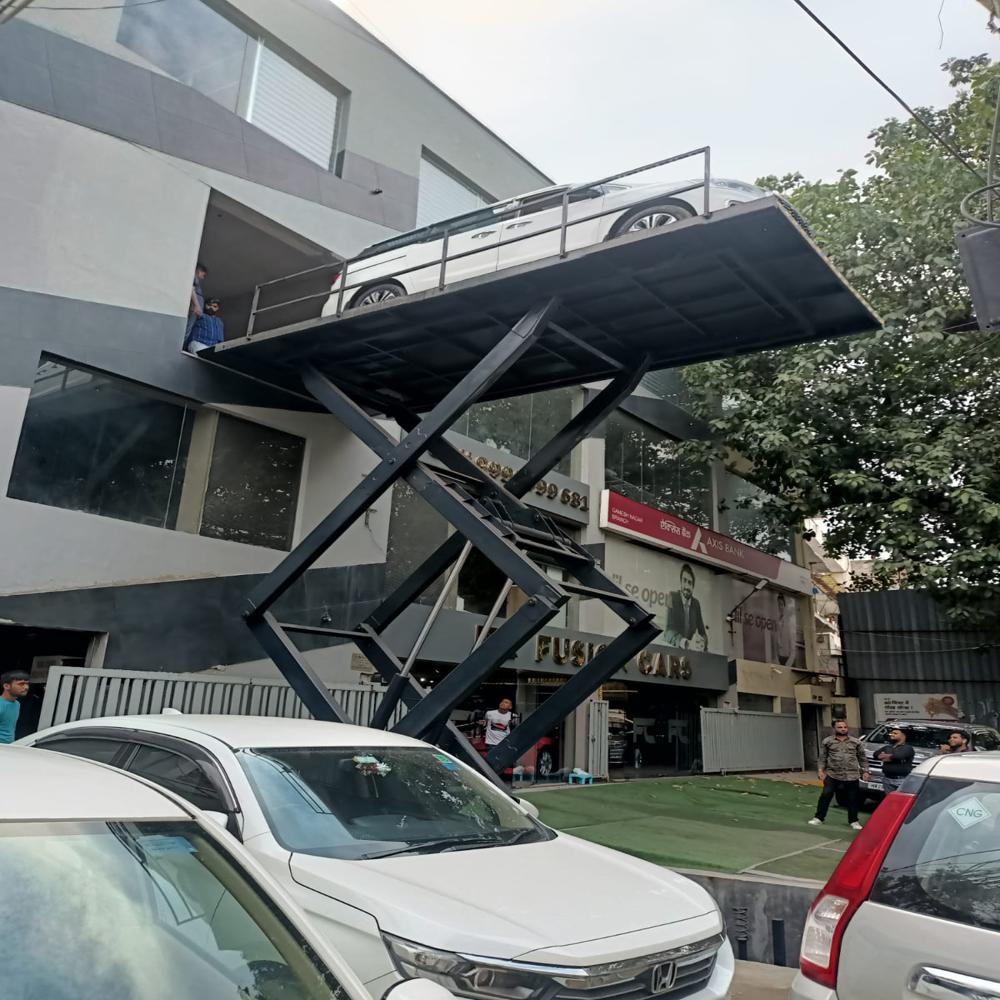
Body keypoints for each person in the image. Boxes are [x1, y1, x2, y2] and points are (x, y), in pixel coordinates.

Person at [809, 720, 870, 830]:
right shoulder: (828, 741)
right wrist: (820, 770)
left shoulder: (856, 742)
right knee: (826, 795)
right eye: (840, 727)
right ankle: (819, 818)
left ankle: (854, 821)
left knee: (853, 798)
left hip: (852, 775)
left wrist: (865, 771)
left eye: (845, 727)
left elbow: (862, 758)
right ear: (835, 728)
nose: (843, 729)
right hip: (833, 774)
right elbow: (822, 757)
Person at [665, 563, 707, 651]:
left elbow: (702, 632)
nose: (687, 586)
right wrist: (685, 642)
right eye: (684, 581)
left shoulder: (696, 604)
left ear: (693, 586)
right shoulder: (672, 597)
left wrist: (702, 642)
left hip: (692, 653)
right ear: (680, 582)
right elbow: (668, 631)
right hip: (674, 650)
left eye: (690, 583)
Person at [877, 726, 915, 793]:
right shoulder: (888, 747)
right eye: (891, 733)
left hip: (901, 780)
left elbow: (899, 756)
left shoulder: (907, 748)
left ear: (903, 735)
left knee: (900, 800)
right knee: (890, 800)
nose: (892, 734)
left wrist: (887, 756)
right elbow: (875, 754)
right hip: (887, 779)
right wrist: (890, 756)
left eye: (895, 733)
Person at [0, 671, 30, 745]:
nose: (26, 687)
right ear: (6, 686)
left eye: (27, 684)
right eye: (21, 684)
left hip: (8, 748)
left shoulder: (17, 704)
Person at [185, 262, 207, 344]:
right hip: (194, 309)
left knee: (189, 329)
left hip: (195, 310)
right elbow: (192, 289)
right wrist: (197, 306)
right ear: (199, 272)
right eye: (203, 275)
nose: (203, 278)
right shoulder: (194, 278)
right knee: (187, 329)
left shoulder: (196, 280)